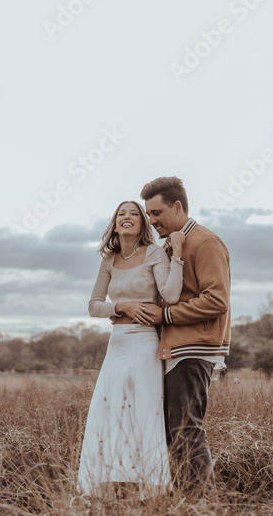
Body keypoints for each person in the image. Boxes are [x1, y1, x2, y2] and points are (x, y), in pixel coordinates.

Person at [76, 200, 185, 497]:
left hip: (145, 342)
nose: (127, 217)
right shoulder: (109, 260)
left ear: (142, 223)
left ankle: (151, 486)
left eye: (134, 214)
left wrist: (177, 257)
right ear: (115, 223)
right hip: (117, 343)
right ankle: (110, 482)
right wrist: (120, 305)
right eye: (121, 214)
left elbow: (172, 295)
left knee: (144, 411)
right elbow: (93, 306)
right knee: (108, 410)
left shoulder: (152, 253)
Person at [138, 176, 231, 497]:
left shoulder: (205, 243)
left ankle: (201, 504)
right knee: (173, 431)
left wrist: (166, 316)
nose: (152, 221)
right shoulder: (169, 247)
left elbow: (217, 300)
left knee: (185, 430)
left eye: (157, 212)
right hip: (172, 350)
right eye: (148, 215)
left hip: (193, 349)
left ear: (178, 207)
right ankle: (185, 499)